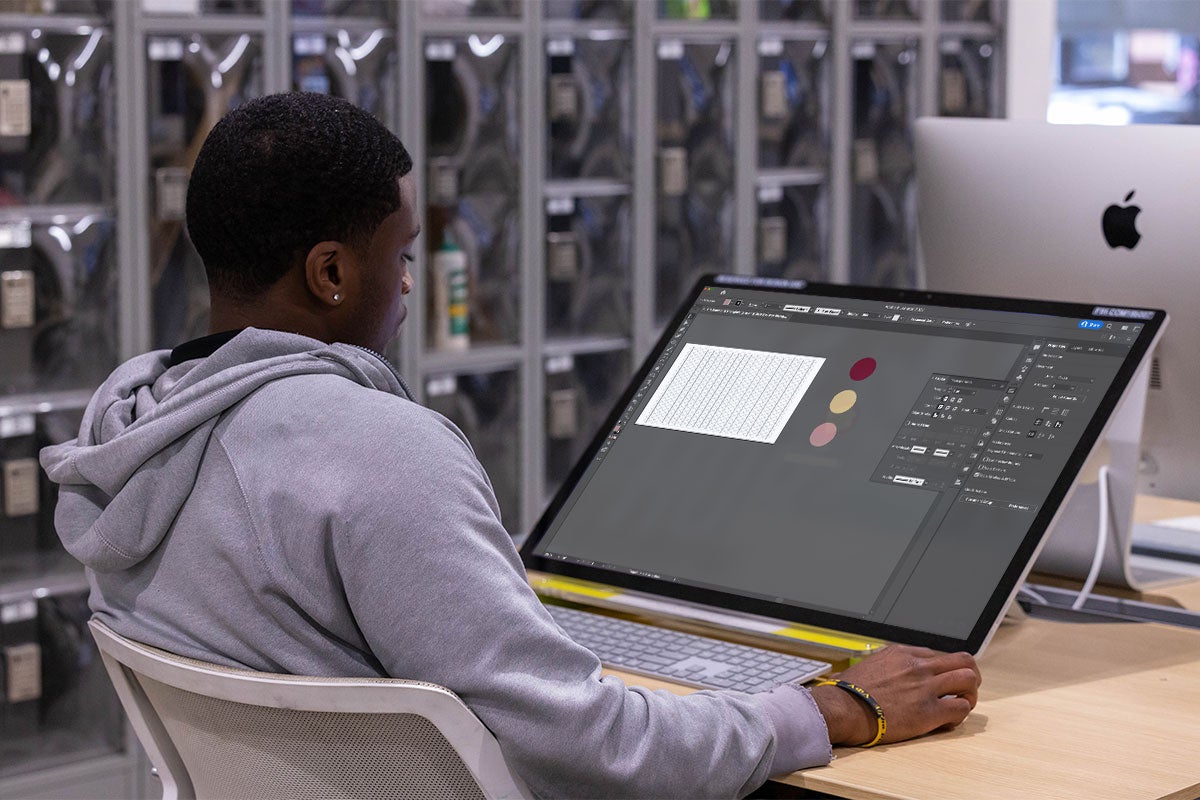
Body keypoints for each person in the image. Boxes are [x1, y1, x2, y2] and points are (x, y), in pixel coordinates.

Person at [42, 92, 980, 799]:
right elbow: (588, 745)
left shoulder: (133, 434)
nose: (410, 284)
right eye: (403, 255)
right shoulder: (379, 451)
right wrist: (833, 709)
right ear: (331, 273)